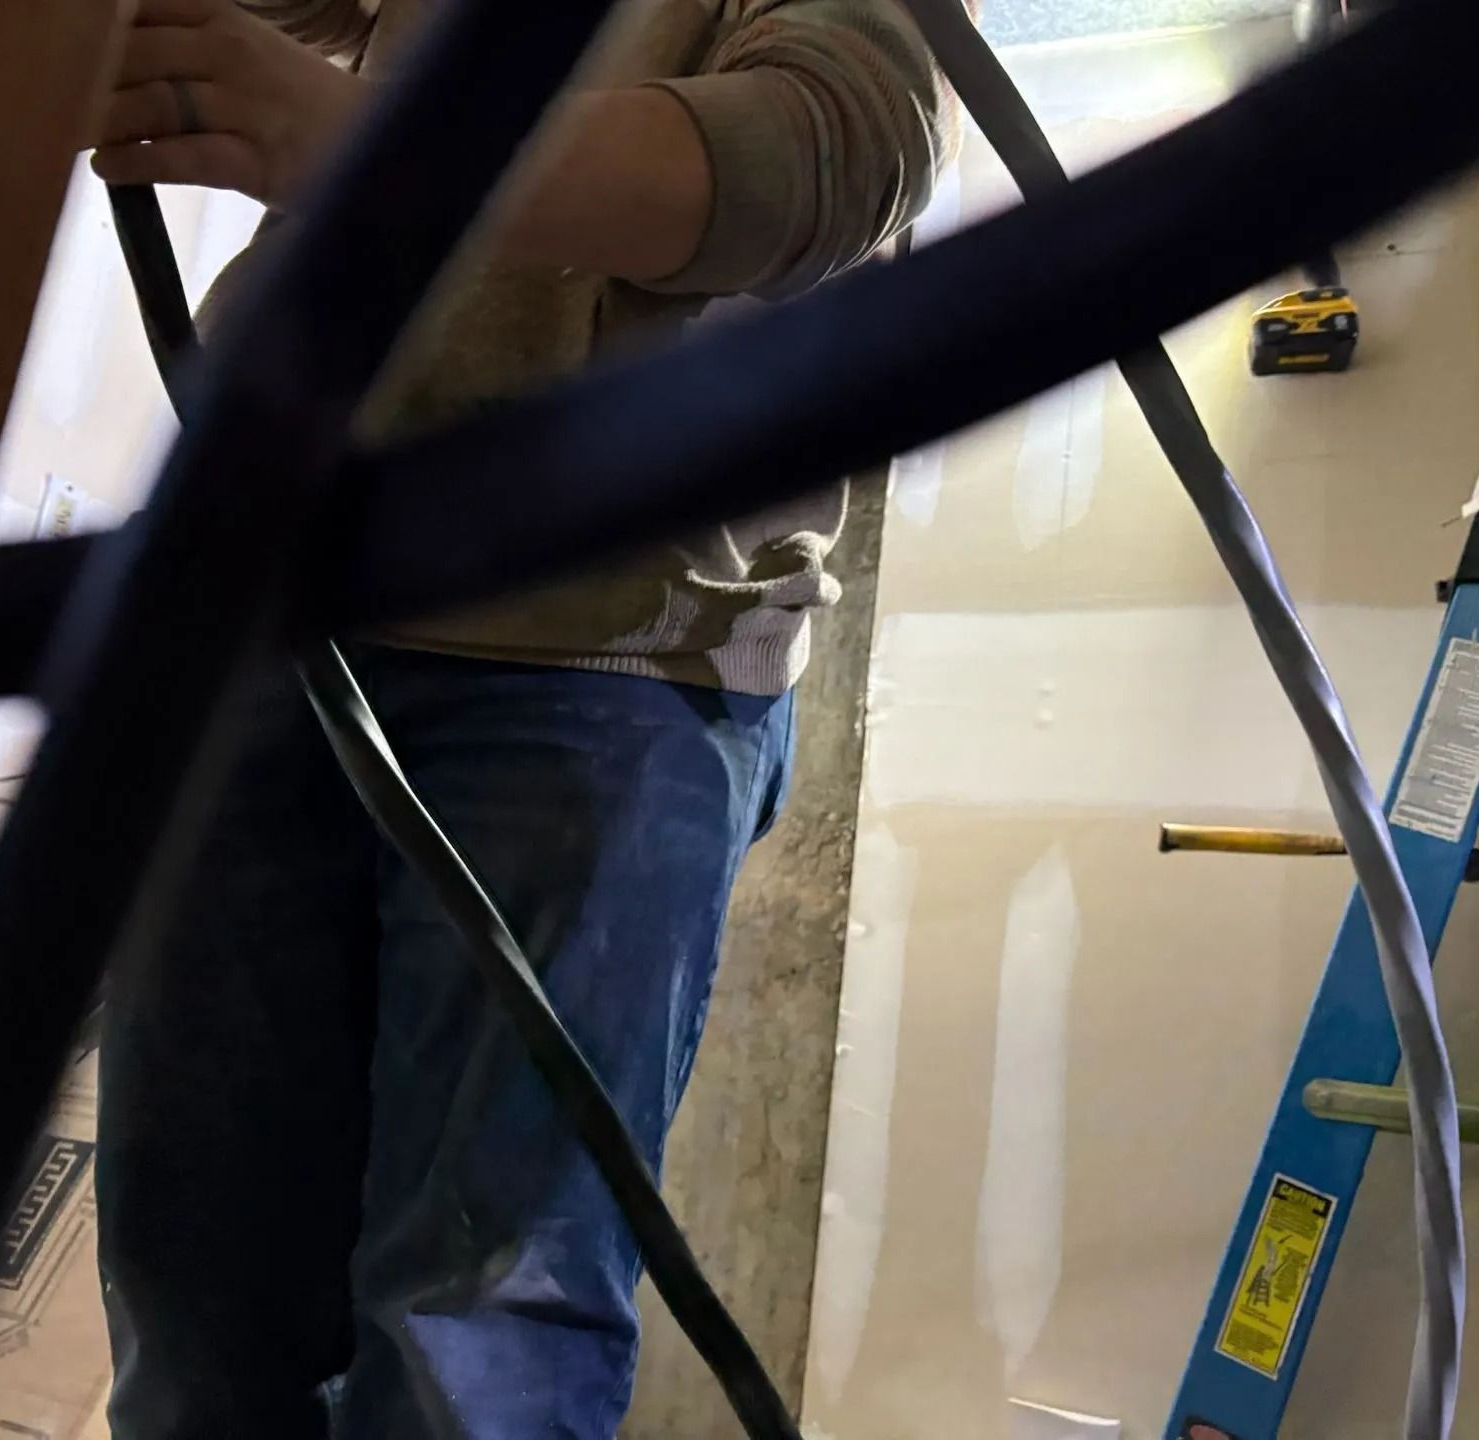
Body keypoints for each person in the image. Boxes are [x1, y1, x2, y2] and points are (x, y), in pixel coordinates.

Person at [87, 1, 949, 1436]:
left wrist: (364, 138)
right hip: (272, 605)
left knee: (470, 1336)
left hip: (595, 650)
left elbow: (828, 151)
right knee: (194, 1306)